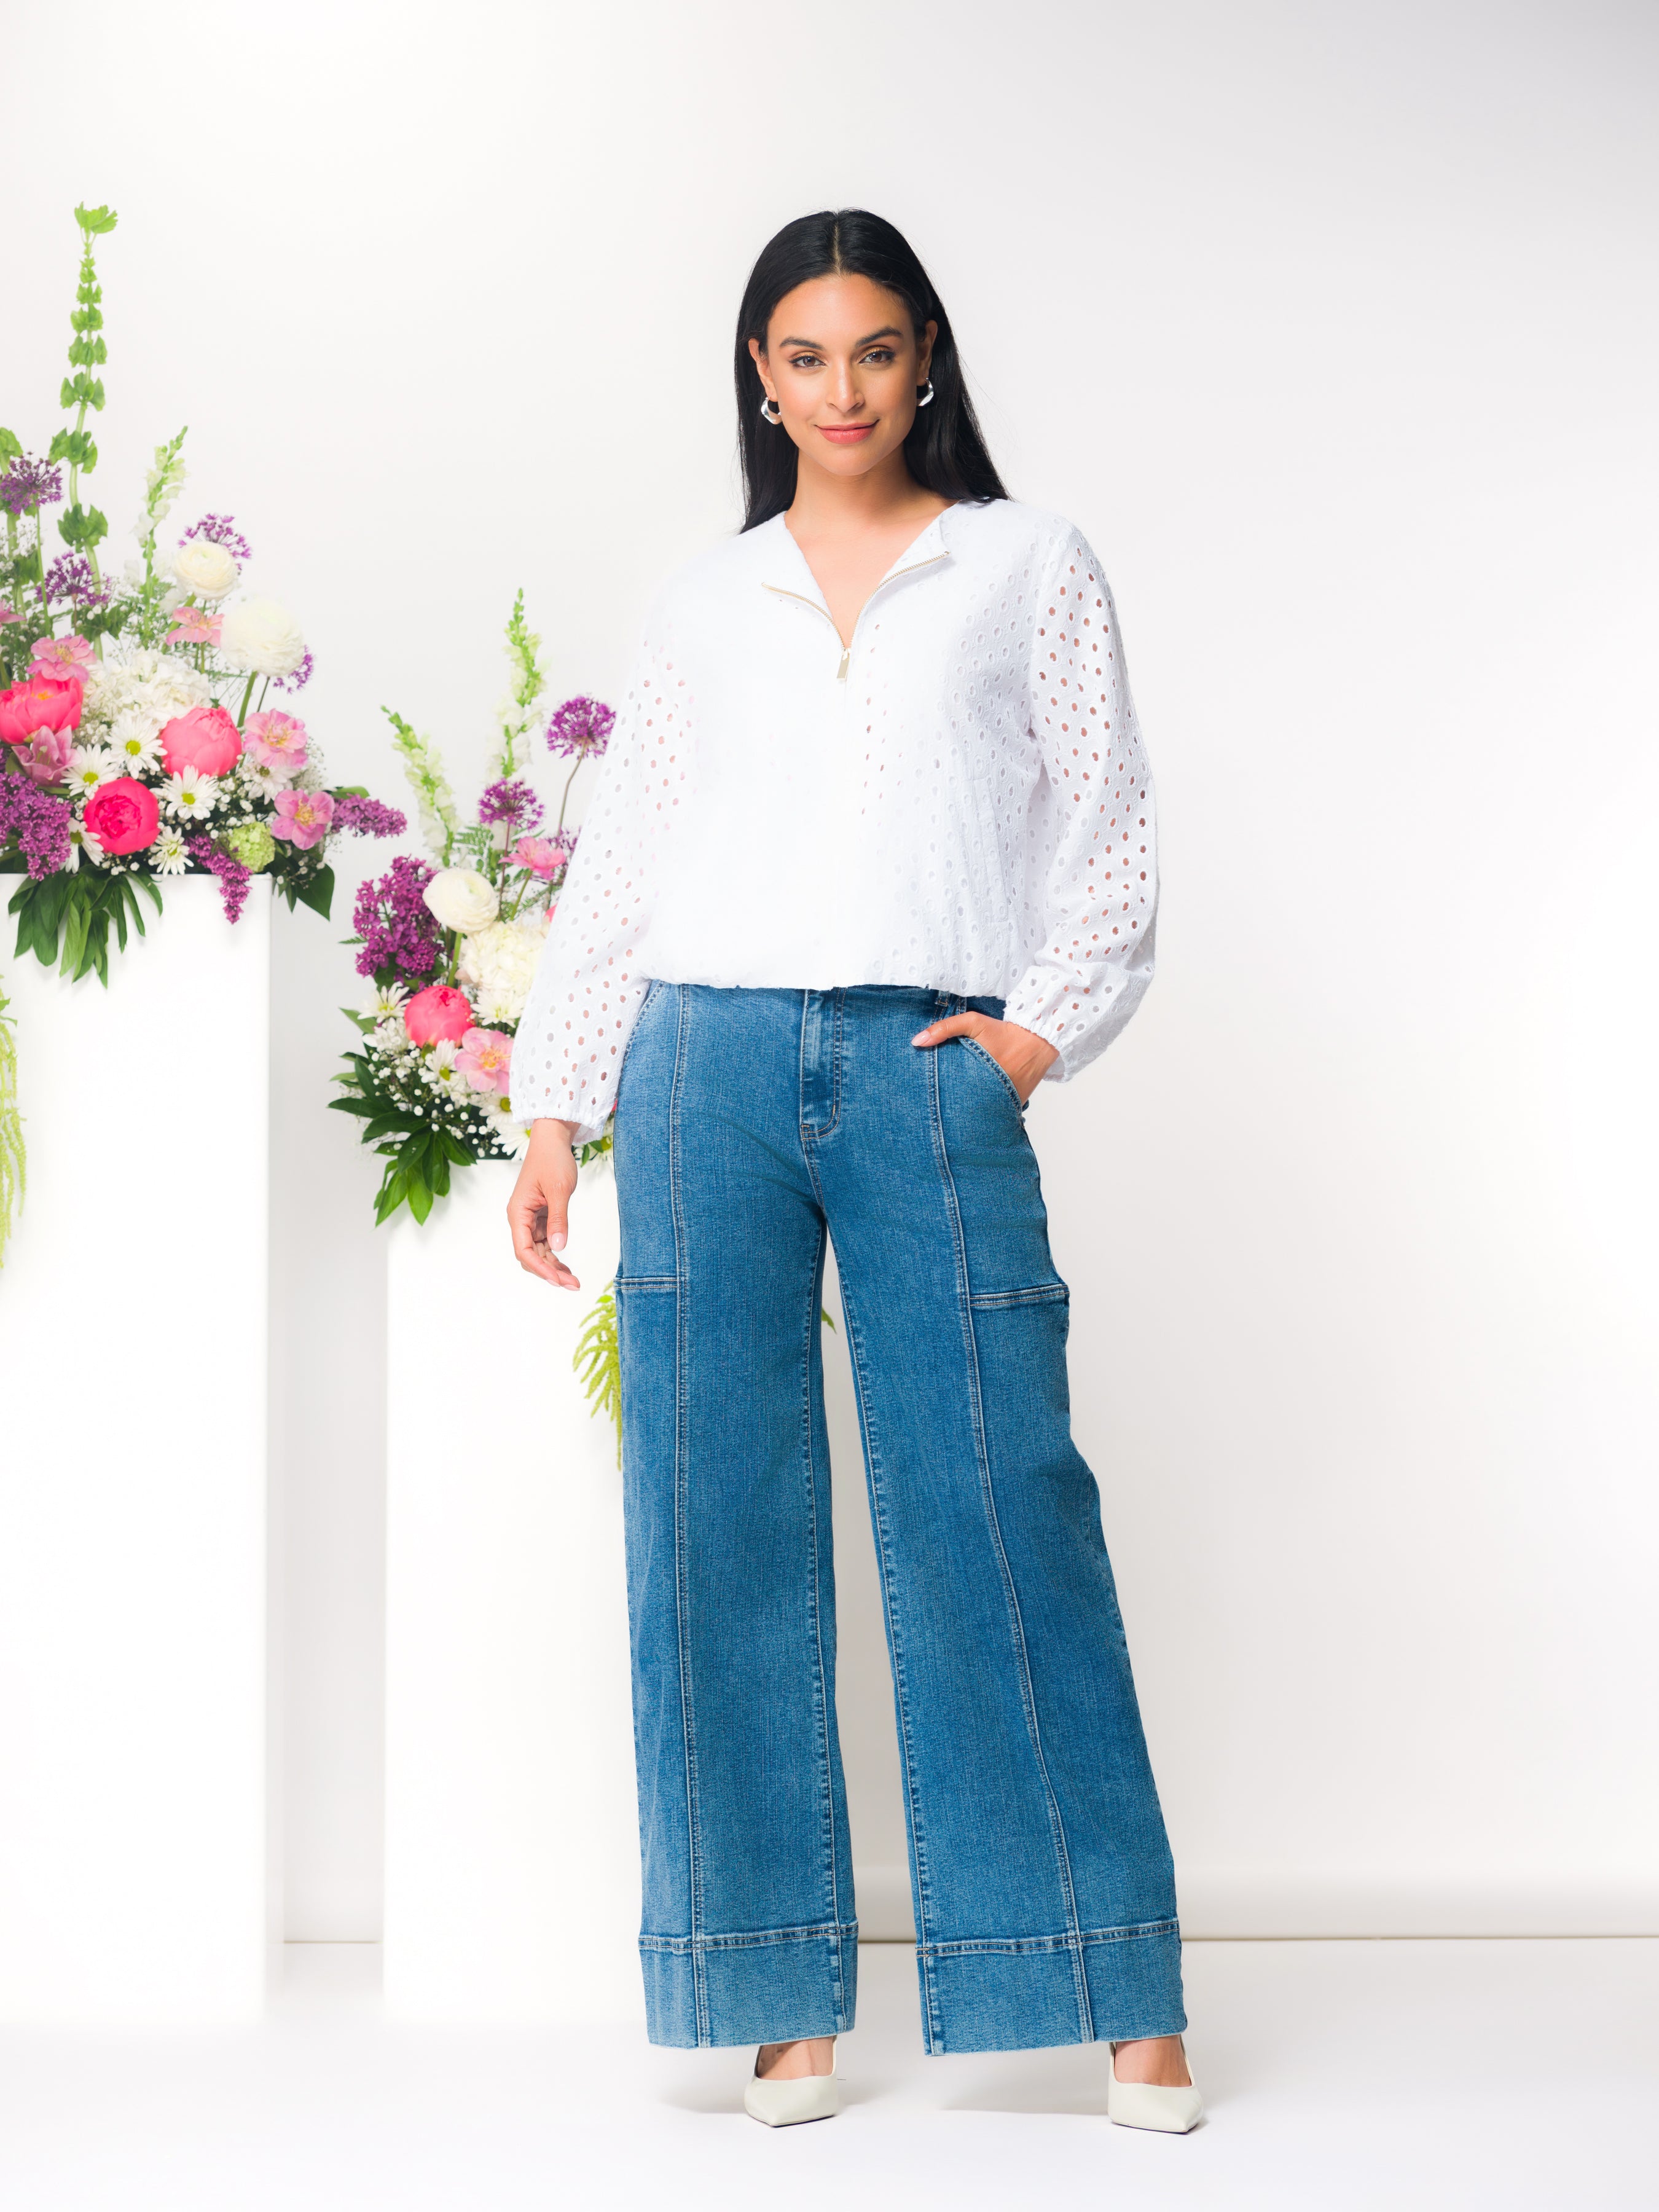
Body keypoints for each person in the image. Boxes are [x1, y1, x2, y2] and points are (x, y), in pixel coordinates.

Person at [507, 208, 1200, 2136]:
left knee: (1000, 1501)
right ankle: (774, 2004)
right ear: (759, 378)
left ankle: (1113, 1996)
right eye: (803, 358)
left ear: (925, 366)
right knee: (710, 1524)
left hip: (922, 1059)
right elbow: (623, 868)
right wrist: (559, 1107)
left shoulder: (1021, 561)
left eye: (875, 353)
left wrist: (1039, 1028)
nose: (841, 390)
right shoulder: (700, 603)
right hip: (702, 1062)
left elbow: (1109, 811)